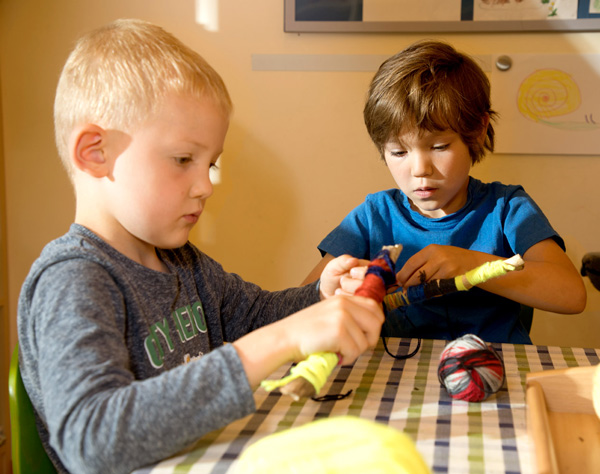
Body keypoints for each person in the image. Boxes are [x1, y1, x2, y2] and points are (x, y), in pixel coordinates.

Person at [17, 19, 384, 474]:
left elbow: (255, 316)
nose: (206, 185)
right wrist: (283, 339)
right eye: (183, 160)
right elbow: (92, 442)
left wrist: (320, 297)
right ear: (95, 152)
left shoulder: (184, 265)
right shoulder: (73, 278)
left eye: (210, 163)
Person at [303, 40, 586, 344]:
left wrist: (472, 264)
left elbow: (571, 295)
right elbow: (299, 306)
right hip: (396, 376)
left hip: (495, 370)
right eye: (399, 152)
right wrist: (339, 290)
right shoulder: (374, 217)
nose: (419, 169)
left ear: (477, 130)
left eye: (439, 147)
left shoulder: (506, 209)